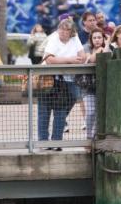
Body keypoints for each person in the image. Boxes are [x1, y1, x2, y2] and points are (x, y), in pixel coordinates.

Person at [38, 18, 85, 149]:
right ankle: (43, 142)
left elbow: (82, 57)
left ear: (72, 32)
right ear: (58, 29)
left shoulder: (75, 39)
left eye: (67, 30)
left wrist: (62, 61)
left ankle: (57, 141)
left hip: (68, 80)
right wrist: (69, 60)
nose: (64, 32)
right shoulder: (53, 38)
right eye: (62, 29)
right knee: (44, 111)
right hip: (48, 79)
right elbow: (49, 59)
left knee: (61, 111)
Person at [82, 27, 106, 139]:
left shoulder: (107, 48)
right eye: (94, 37)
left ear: (103, 38)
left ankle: (95, 137)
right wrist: (99, 51)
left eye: (99, 37)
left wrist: (105, 47)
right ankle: (88, 137)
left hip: (103, 86)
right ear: (91, 39)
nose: (97, 40)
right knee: (91, 111)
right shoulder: (86, 47)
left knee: (99, 113)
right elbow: (90, 59)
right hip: (88, 86)